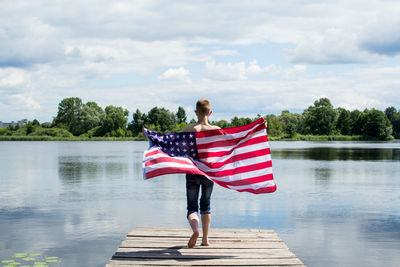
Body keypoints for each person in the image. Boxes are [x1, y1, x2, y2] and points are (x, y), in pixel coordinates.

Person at [181, 98, 220, 248]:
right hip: (208, 173)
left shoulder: (188, 130)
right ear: (210, 112)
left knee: (192, 208)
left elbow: (169, 142)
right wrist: (257, 129)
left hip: (192, 172)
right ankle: (205, 240)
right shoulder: (215, 130)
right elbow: (235, 140)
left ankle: (195, 230)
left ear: (196, 112)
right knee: (206, 206)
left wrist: (151, 136)